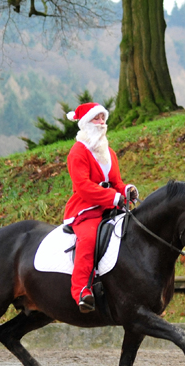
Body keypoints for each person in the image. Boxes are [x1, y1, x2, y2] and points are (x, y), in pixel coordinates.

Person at [64, 102, 138, 313]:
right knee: (88, 239)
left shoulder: (109, 153)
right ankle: (81, 291)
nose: (101, 123)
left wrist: (127, 190)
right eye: (96, 119)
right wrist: (113, 198)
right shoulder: (77, 152)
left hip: (111, 206)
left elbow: (116, 182)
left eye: (103, 119)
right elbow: (83, 187)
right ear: (86, 122)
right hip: (86, 208)